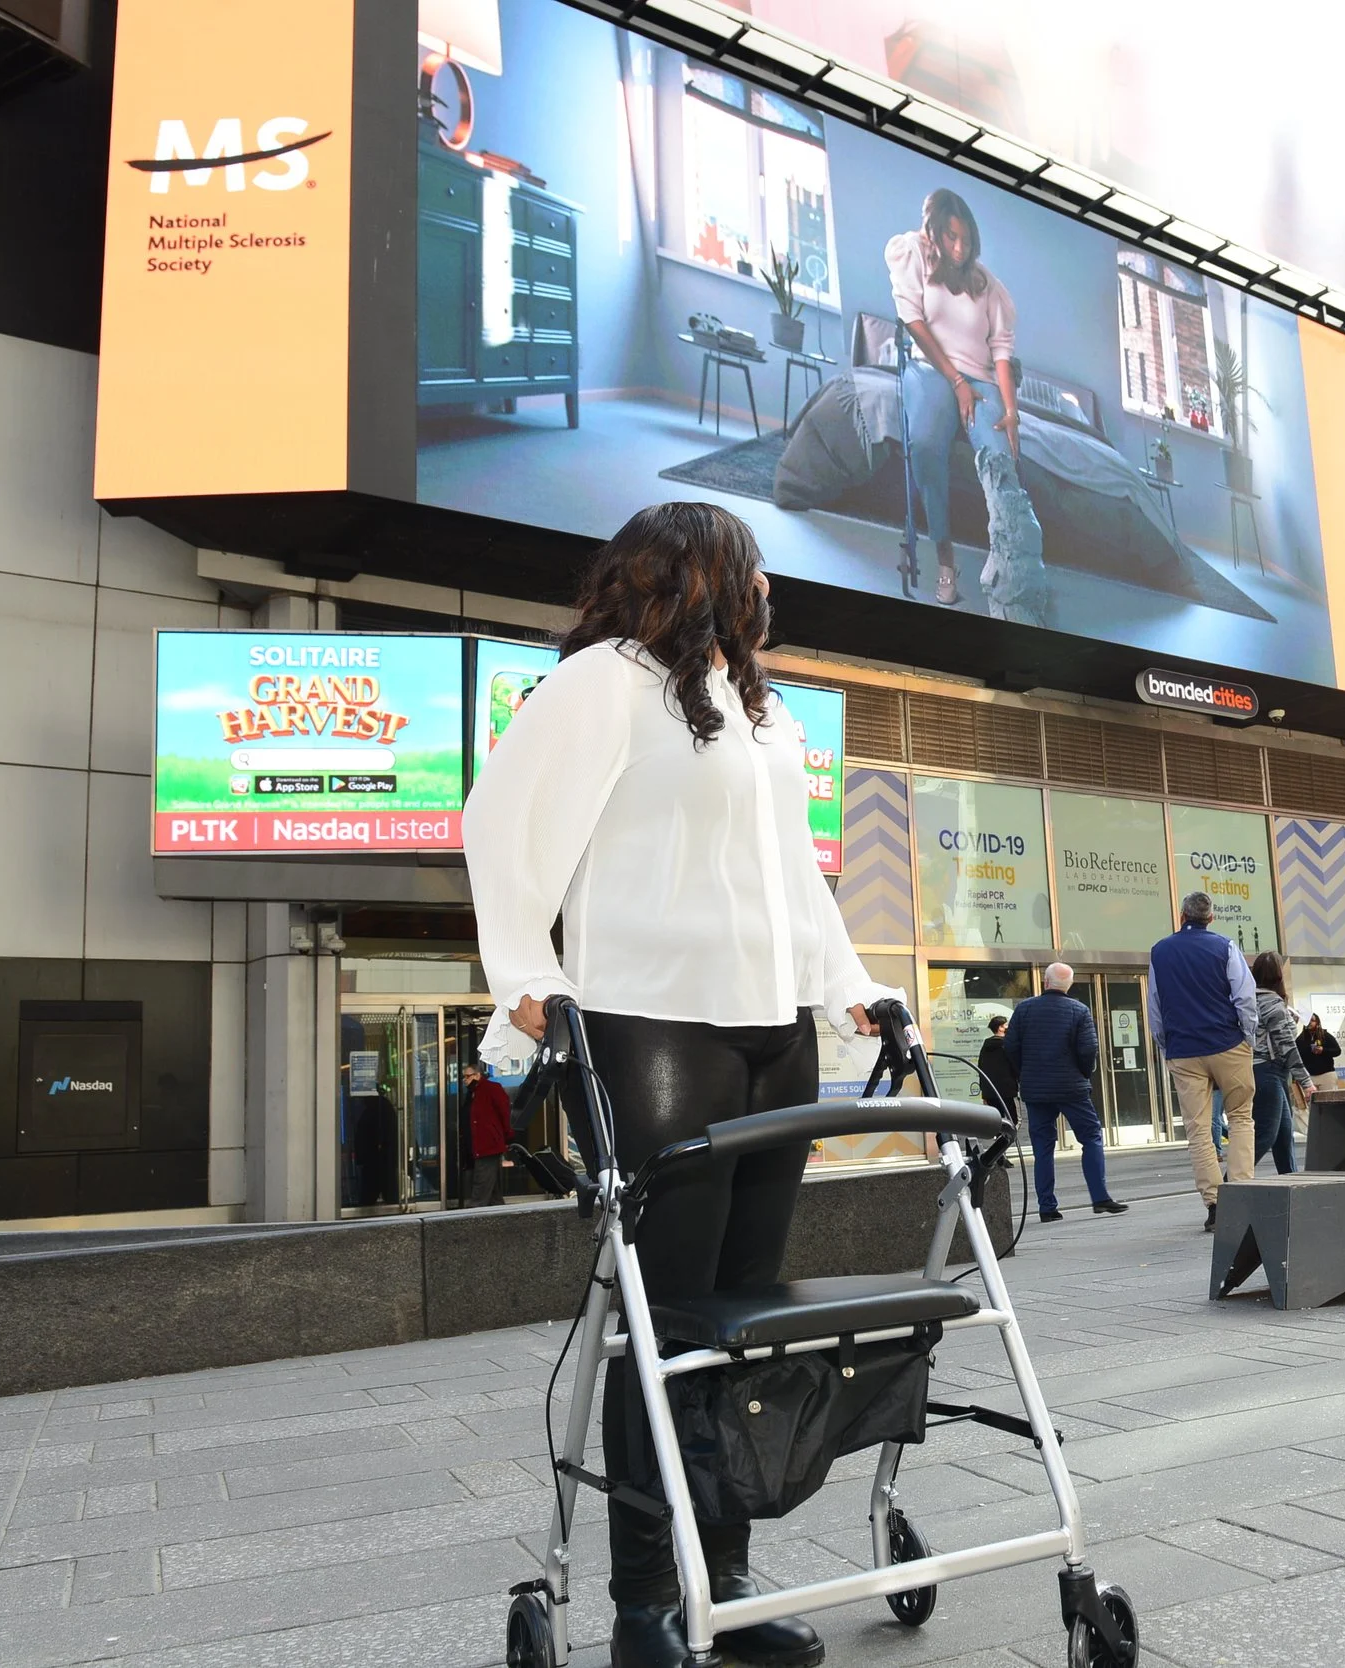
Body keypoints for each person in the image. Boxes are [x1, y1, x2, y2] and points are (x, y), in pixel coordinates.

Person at [465, 501, 896, 1668]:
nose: (768, 596)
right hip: (654, 1028)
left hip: (772, 1034)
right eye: (754, 574)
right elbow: (499, 824)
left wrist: (853, 987)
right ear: (702, 573)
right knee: (663, 1324)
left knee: (740, 1322)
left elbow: (793, 880)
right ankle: (647, 1601)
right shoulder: (603, 682)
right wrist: (526, 977)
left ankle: (730, 1583)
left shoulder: (762, 711)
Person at [888, 187, 1024, 607]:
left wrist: (1012, 411)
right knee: (927, 443)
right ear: (934, 233)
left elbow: (1001, 350)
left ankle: (1011, 564)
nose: (960, 248)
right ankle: (946, 559)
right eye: (950, 237)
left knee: (1003, 457)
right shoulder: (915, 254)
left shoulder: (988, 285)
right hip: (932, 370)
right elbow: (911, 319)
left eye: (966, 239)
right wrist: (955, 381)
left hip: (981, 380)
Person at [1148, 892, 1257, 1233]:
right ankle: (1241, 1192)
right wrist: (1247, 1037)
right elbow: (1244, 996)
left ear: (1181, 915)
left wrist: (1166, 1043)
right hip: (1227, 1043)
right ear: (1211, 918)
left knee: (1197, 1130)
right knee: (1240, 1118)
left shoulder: (1160, 951)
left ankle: (1214, 1204)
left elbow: (1154, 1005)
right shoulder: (1225, 947)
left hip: (1184, 1050)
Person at [1003, 964, 1124, 1222]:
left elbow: (1010, 1046)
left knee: (1042, 1147)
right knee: (1091, 1136)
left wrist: (1024, 1072)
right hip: (1072, 1088)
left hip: (1036, 1089)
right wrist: (1083, 1073)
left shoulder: (1024, 1009)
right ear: (1069, 984)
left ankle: (1047, 1207)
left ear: (1046, 982)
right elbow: (1088, 1049)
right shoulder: (1079, 1010)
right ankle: (1100, 1197)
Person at [1248, 953, 1312, 1176]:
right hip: (1270, 1071)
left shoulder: (1247, 1000)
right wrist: (1306, 1082)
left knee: (1283, 1135)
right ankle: (1228, 1185)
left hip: (1257, 1070)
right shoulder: (1274, 1005)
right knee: (1266, 1135)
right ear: (1278, 976)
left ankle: (1290, 1180)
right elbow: (1287, 1047)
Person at [462, 1060, 514, 1207]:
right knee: (492, 1188)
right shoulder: (472, 1094)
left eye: (468, 1076)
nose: (465, 1080)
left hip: (488, 1144)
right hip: (482, 1145)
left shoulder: (490, 1089)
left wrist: (506, 1133)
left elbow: (504, 1112)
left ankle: (475, 1215)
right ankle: (499, 1212)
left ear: (477, 1075)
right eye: (464, 1077)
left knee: (481, 1185)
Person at [977, 1014, 1021, 1119]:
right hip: (1008, 1091)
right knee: (1013, 1120)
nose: (1008, 1027)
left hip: (990, 1091)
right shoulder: (1008, 1045)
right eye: (1006, 1025)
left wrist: (984, 1091)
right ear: (1000, 1028)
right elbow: (1015, 1065)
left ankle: (1001, 1136)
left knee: (996, 1122)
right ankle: (1008, 1136)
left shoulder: (986, 1046)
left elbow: (981, 1067)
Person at [1298, 1012, 1341, 1082]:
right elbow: (1297, 1056)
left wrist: (1323, 1050)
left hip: (1326, 1075)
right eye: (1308, 1021)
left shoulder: (1325, 1036)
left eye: (1312, 1020)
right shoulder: (1300, 1039)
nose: (1310, 1022)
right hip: (1309, 1076)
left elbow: (1337, 1051)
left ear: (1317, 1022)